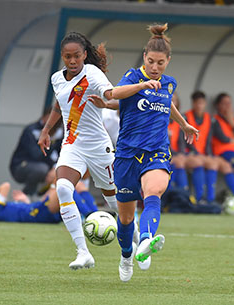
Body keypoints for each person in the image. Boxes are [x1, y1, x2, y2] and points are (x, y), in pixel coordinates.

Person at [88, 23, 199, 282]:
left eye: (161, 63)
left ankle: (147, 241)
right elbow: (117, 93)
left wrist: (183, 124)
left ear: (168, 61)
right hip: (127, 155)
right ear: (144, 57)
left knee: (154, 192)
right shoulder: (132, 77)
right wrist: (135, 89)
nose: (155, 67)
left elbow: (166, 102)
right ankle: (127, 255)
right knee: (125, 219)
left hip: (156, 152)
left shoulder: (169, 84)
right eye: (151, 61)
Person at [37, 32, 119, 270]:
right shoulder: (56, 79)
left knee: (114, 201)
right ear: (62, 57)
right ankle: (83, 252)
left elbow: (112, 97)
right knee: (62, 188)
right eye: (67, 57)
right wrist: (46, 131)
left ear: (84, 55)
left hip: (98, 147)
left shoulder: (93, 74)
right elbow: (59, 105)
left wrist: (109, 101)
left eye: (76, 56)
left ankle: (134, 239)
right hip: (72, 145)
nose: (72, 61)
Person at [184, 90, 234, 202]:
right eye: (197, 103)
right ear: (193, 104)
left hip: (204, 154)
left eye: (202, 103)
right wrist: (195, 153)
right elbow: (184, 139)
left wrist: (209, 154)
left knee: (223, 165)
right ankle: (200, 198)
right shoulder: (186, 117)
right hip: (190, 153)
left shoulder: (209, 118)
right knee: (200, 162)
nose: (200, 106)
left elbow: (208, 139)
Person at [0, 180, 97, 223]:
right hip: (38, 213)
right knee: (65, 186)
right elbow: (5, 185)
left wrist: (25, 201)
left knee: (78, 185)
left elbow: (22, 212)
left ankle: (96, 214)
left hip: (37, 209)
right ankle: (90, 215)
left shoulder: (0, 210)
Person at [10, 108, 63, 195]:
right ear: (45, 117)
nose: (54, 123)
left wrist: (55, 167)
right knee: (41, 169)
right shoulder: (31, 130)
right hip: (21, 165)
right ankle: (27, 195)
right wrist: (51, 142)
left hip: (47, 166)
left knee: (60, 172)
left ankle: (45, 198)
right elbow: (36, 155)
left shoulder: (59, 133)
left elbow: (60, 154)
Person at [167, 93, 205, 201]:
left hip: (178, 155)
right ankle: (180, 197)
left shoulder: (180, 120)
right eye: (170, 100)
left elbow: (183, 142)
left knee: (197, 161)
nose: (172, 103)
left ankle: (200, 198)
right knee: (179, 162)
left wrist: (188, 153)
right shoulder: (159, 118)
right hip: (164, 154)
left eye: (174, 100)